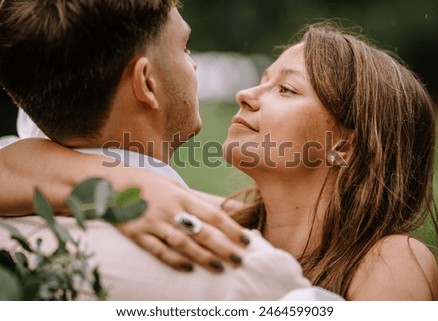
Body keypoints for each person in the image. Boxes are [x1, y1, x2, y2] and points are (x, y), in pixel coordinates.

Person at [0, 0, 343, 300]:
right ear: (146, 83)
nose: (193, 65)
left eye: (284, 88)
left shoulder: (10, 212)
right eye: (185, 48)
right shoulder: (242, 271)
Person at [220, 22, 438, 300]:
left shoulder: (390, 261)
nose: (245, 95)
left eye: (286, 89)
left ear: (343, 147)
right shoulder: (217, 226)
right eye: (264, 80)